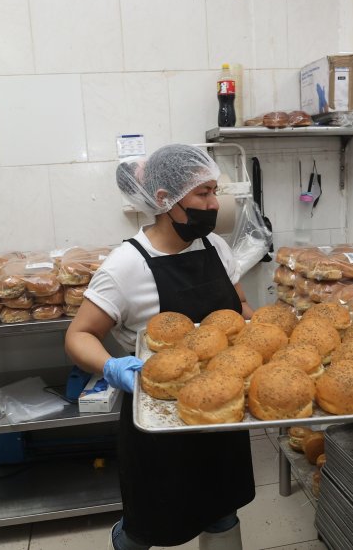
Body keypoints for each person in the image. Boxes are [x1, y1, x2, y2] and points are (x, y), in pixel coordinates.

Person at [65, 144, 255, 550]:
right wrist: (116, 368)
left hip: (220, 412)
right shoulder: (125, 265)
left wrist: (256, 333)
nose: (214, 203)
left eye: (214, 191)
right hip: (161, 421)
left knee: (222, 511)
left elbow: (238, 305)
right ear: (166, 200)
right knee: (148, 526)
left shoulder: (215, 248)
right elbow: (78, 335)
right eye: (202, 194)